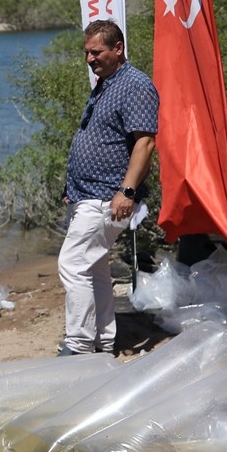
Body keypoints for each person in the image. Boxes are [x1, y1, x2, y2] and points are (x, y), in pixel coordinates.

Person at [57, 19, 159, 356]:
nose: (89, 58)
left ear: (118, 48)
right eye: (86, 52)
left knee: (73, 265)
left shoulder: (136, 85)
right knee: (96, 268)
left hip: (108, 195)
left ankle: (80, 344)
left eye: (96, 52)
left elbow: (144, 143)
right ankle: (102, 340)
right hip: (89, 194)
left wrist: (127, 192)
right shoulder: (106, 83)